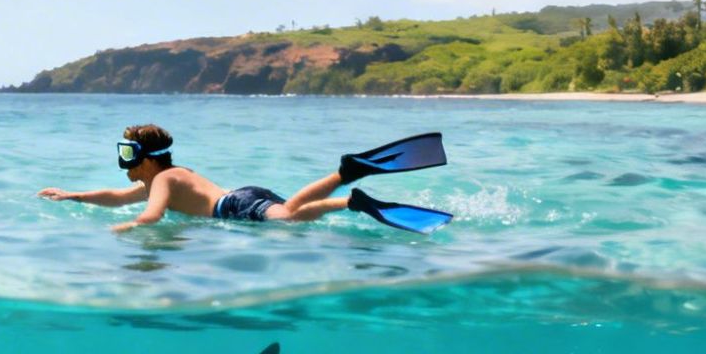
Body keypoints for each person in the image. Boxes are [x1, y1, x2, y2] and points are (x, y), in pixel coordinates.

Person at [37, 124, 452, 234]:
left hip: (233, 207)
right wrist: (73, 196)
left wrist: (128, 228)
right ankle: (353, 201)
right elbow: (116, 195)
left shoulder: (163, 181)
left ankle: (347, 171)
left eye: (129, 154)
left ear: (147, 159)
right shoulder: (166, 175)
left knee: (289, 216)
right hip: (243, 198)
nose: (124, 162)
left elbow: (150, 215)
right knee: (298, 217)